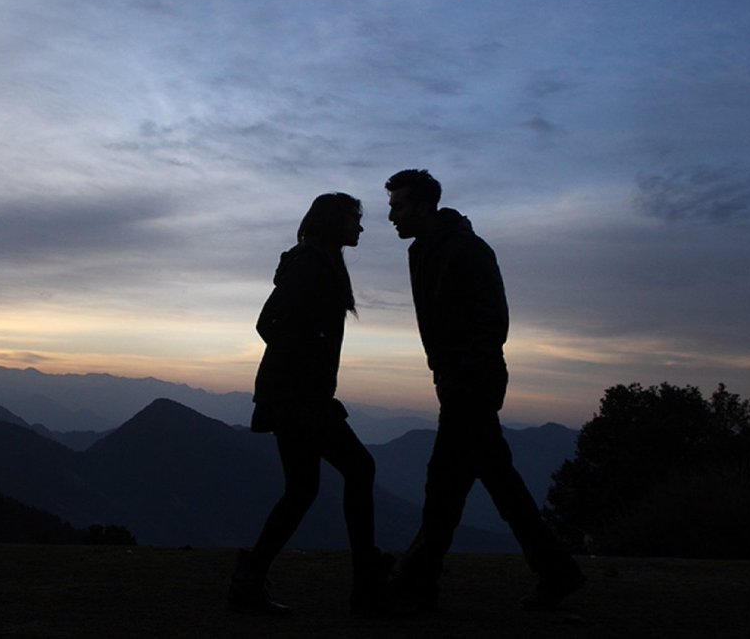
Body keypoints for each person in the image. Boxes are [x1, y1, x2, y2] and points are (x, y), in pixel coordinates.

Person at [384, 169, 583, 612]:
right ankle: (556, 571)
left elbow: (494, 320)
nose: (391, 215)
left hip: (473, 380)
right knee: (491, 479)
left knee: (445, 482)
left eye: (398, 205)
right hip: (457, 378)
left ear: (422, 206)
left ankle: (416, 581)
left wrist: (459, 371)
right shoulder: (424, 250)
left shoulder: (468, 249)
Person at [228, 193, 392, 616]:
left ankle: (250, 577)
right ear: (333, 221)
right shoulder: (311, 264)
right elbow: (269, 323)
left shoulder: (317, 261)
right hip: (298, 397)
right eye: (355, 219)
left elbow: (277, 323)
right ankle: (367, 582)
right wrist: (309, 358)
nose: (360, 228)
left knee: (303, 489)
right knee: (358, 468)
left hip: (296, 395)